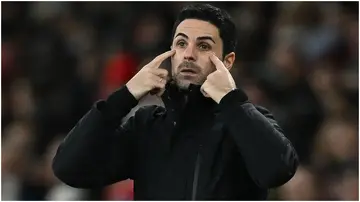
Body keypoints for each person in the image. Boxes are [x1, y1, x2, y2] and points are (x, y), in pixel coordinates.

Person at [52, 4, 299, 200]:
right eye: (181, 43)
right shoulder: (146, 126)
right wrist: (124, 96)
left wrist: (232, 101)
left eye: (203, 46)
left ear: (228, 61)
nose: (189, 54)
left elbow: (277, 171)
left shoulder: (247, 122)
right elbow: (69, 168)